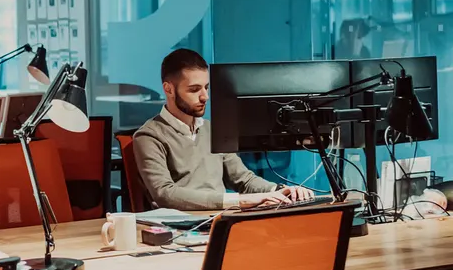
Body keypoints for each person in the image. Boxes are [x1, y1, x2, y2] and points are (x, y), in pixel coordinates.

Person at [132, 49, 316, 211]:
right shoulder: (149, 136)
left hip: (220, 218)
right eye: (194, 89)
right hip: (179, 226)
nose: (205, 97)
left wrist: (278, 190)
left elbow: (243, 179)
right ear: (169, 89)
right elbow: (165, 194)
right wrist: (238, 201)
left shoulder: (211, 129)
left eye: (206, 87)